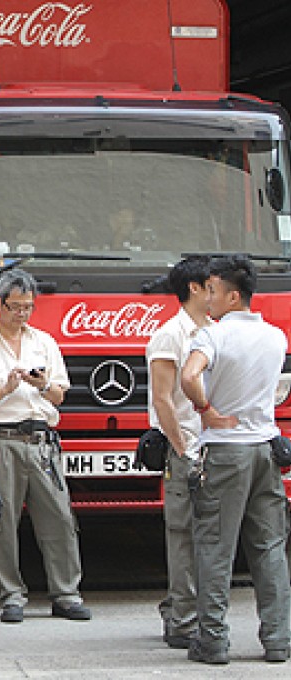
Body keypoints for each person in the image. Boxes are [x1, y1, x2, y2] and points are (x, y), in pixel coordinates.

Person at [180, 255, 290, 665]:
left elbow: (190, 376)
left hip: (225, 450)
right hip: (265, 448)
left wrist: (205, 408)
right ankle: (278, 639)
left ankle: (213, 640)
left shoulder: (212, 335)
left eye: (211, 290)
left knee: (214, 546)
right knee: (270, 546)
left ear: (231, 294)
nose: (207, 298)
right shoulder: (275, 336)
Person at [0, 270, 90, 624]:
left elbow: (59, 395)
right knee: (1, 522)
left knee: (59, 517)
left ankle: (66, 593)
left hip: (41, 439)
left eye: (28, 307)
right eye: (15, 307)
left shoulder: (44, 342)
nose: (22, 314)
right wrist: (6, 388)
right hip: (2, 437)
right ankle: (11, 595)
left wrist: (41, 385)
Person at [145, 256, 212, 649]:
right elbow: (163, 399)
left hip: (216, 445)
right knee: (183, 532)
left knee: (210, 534)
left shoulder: (216, 330)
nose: (217, 292)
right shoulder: (170, 336)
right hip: (185, 445)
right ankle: (182, 618)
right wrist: (181, 447)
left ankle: (191, 608)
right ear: (195, 288)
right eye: (212, 285)